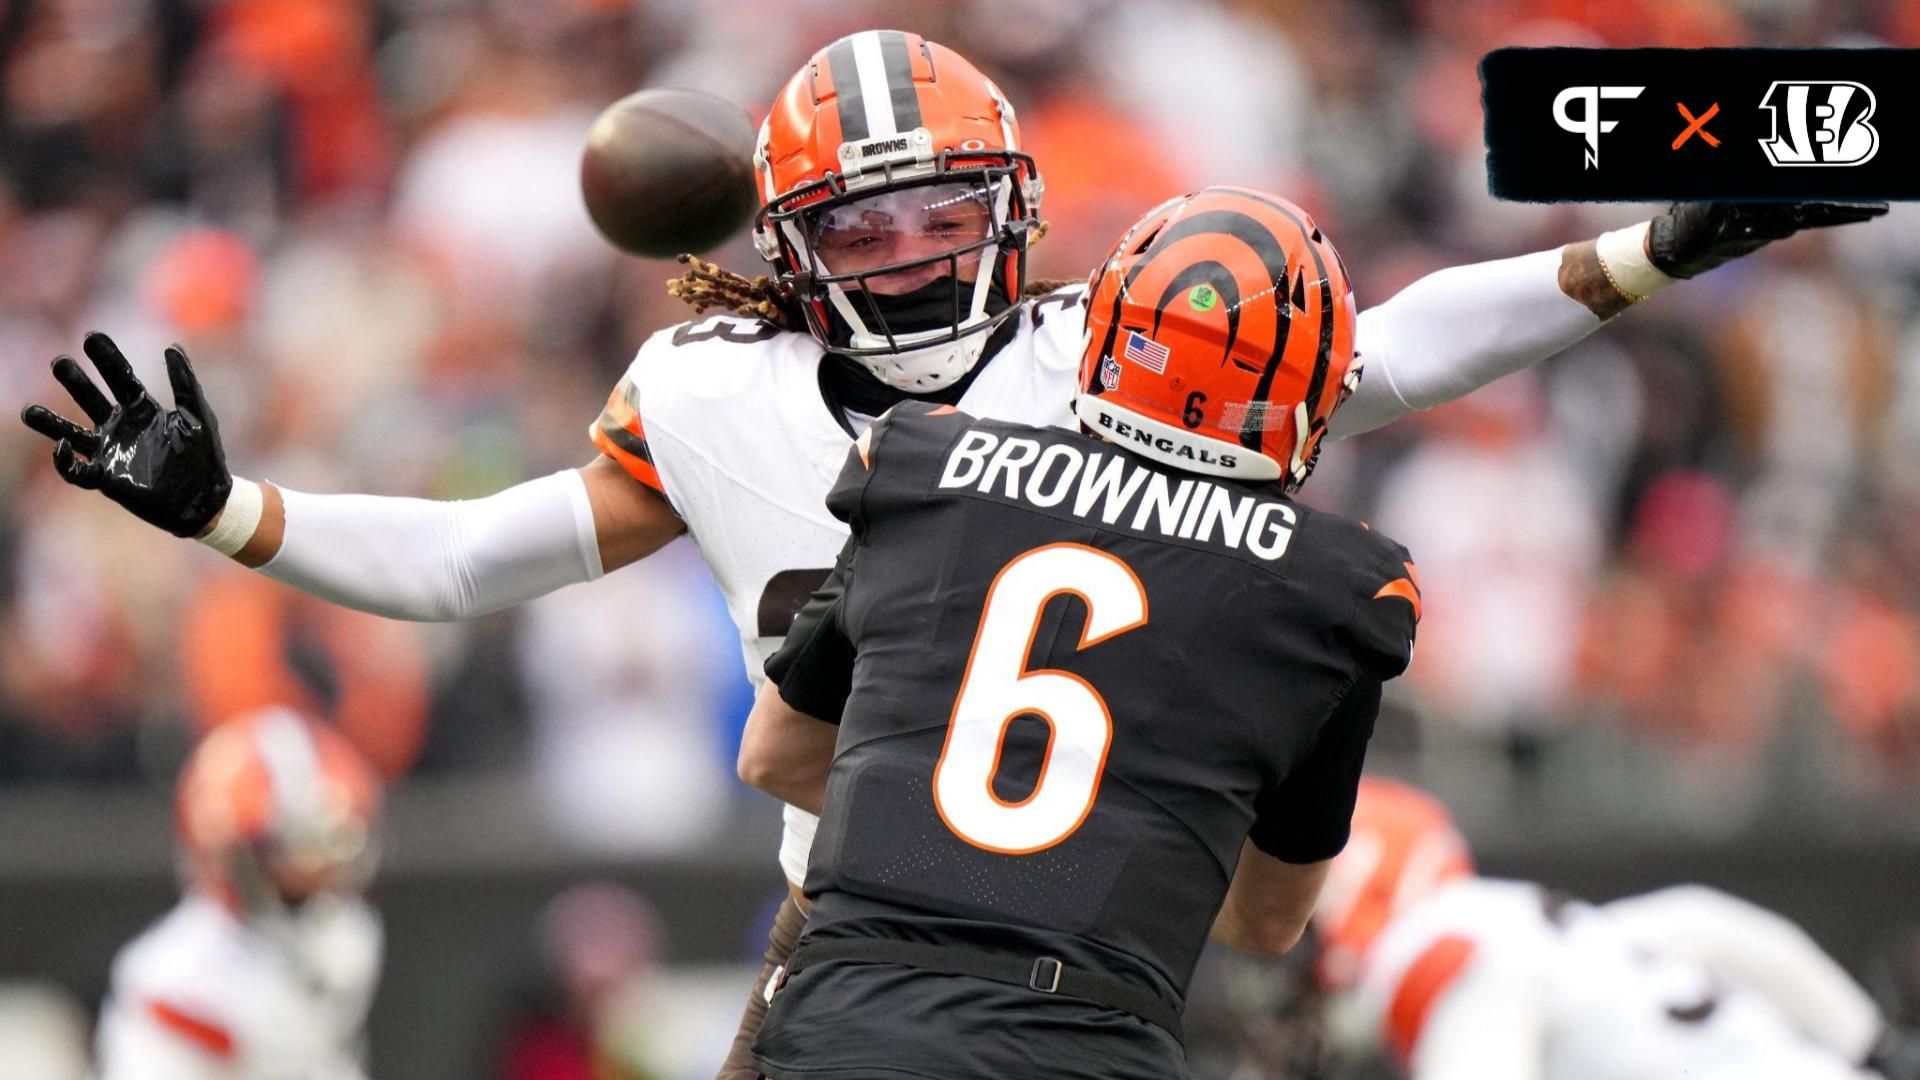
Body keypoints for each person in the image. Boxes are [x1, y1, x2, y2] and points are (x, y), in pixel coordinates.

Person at [16, 28, 1883, 1077]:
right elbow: (462, 560)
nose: (913, 260)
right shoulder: (714, 386)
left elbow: (1389, 341)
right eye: (870, 228)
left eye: (943, 220)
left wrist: (1639, 252)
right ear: (792, 244)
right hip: (863, 924)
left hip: (1107, 920)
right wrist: (229, 513)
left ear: (1017, 214)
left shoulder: (1115, 338)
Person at [732, 187, 1412, 1079]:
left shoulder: (925, 466)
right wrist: (1090, 859)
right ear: (1310, 391)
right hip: (1089, 1047)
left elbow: (774, 756)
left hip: (855, 1024)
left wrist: (946, 850)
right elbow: (1266, 918)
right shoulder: (1338, 586)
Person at [1307, 776, 1920, 1080]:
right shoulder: (1560, 934)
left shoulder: (1453, 966)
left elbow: (1491, 996)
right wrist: (1875, 1048)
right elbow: (1712, 920)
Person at [94, 707, 385, 1080]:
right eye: (291, 850)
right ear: (225, 856)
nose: (314, 869)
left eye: (335, 843)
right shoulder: (176, 982)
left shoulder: (347, 936)